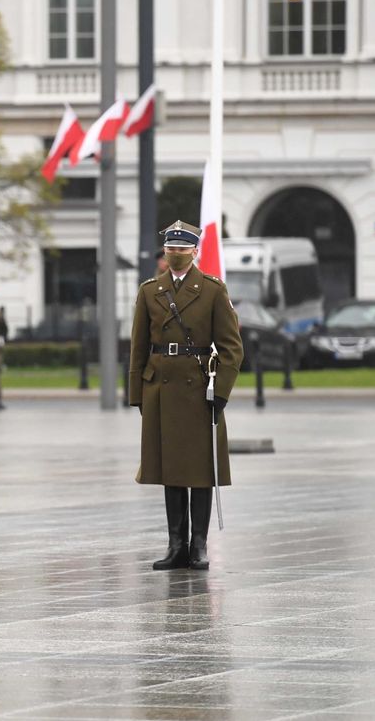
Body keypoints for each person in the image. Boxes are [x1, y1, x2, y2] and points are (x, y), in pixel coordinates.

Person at [128, 221, 243, 571]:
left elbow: (231, 348)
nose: (176, 254)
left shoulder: (211, 290)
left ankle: (198, 545)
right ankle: (175, 544)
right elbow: (139, 346)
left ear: (195, 251)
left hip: (198, 389)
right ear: (164, 251)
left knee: (199, 470)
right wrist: (137, 394)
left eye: (183, 249)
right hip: (160, 388)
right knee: (170, 470)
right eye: (171, 248)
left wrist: (220, 391)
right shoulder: (150, 291)